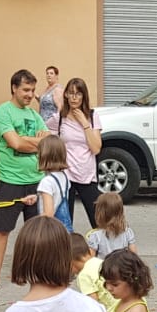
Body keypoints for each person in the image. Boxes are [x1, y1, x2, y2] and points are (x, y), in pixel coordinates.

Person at [0, 69, 49, 291]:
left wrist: (27, 140)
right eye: (25, 89)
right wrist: (35, 141)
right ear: (14, 87)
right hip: (11, 179)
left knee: (36, 232)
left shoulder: (35, 115)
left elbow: (49, 142)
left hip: (36, 179)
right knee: (3, 229)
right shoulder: (3, 112)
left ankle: (36, 275)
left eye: (32, 90)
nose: (30, 94)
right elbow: (15, 144)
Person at [48, 77, 102, 228]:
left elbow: (96, 148)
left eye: (78, 94)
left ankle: (100, 249)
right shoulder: (59, 118)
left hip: (87, 175)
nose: (74, 97)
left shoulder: (92, 116)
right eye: (70, 93)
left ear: (84, 96)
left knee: (98, 220)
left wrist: (84, 124)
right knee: (65, 223)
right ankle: (66, 251)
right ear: (65, 95)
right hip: (66, 175)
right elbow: (43, 134)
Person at [35, 135, 73, 227]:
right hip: (62, 228)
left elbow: (48, 214)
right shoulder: (64, 177)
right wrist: (38, 197)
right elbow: (56, 197)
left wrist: (33, 222)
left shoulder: (46, 182)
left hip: (50, 230)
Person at [89, 192, 136, 258]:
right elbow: (134, 255)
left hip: (104, 267)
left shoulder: (95, 235)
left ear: (99, 214)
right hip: (122, 266)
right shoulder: (127, 232)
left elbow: (91, 260)